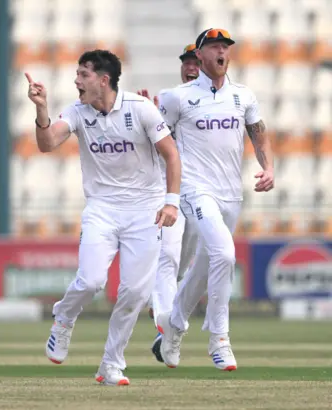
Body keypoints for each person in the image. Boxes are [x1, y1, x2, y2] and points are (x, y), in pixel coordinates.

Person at [25, 49, 182, 386]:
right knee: (92, 280)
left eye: (83, 74)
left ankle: (111, 365)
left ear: (103, 80)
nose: (76, 80)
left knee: (135, 294)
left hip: (145, 212)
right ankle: (64, 317)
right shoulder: (78, 112)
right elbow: (47, 143)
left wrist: (171, 203)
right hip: (102, 209)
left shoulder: (140, 109)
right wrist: (41, 110)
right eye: (77, 74)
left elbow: (171, 154)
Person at [155, 29, 274, 371]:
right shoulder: (177, 98)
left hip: (231, 194)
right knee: (224, 252)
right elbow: (158, 143)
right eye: (216, 47)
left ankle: (174, 327)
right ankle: (219, 339)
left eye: (226, 47)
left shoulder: (243, 96)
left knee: (207, 266)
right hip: (195, 189)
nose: (223, 52)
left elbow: (259, 136)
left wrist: (269, 169)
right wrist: (164, 192)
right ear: (202, 54)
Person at [137, 43, 201, 363]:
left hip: (204, 199)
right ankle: (168, 330)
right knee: (169, 259)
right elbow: (146, 140)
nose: (191, 67)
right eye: (187, 62)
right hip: (172, 194)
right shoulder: (167, 101)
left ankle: (165, 316)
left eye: (197, 62)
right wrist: (147, 115)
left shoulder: (219, 105)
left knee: (187, 269)